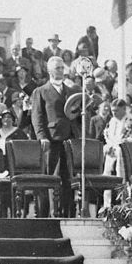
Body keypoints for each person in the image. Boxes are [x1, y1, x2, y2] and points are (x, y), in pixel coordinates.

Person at [31, 55, 80, 217]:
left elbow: (76, 113)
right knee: (51, 177)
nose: (61, 70)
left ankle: (67, 213)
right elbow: (37, 116)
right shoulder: (41, 91)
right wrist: (41, 136)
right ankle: (49, 213)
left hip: (69, 140)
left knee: (68, 179)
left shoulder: (71, 90)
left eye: (62, 67)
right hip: (51, 140)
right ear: (50, 71)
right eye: (58, 68)